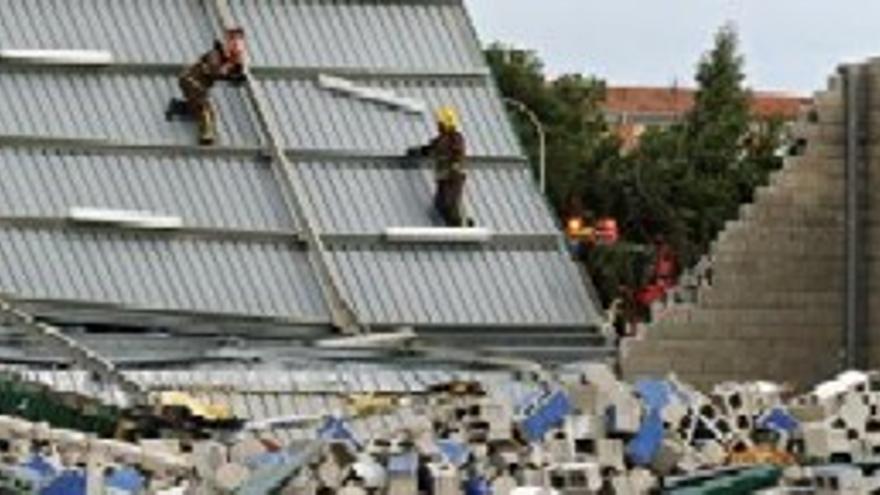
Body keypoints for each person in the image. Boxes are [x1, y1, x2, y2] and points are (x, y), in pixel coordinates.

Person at [166, 28, 246, 145]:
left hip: (197, 85)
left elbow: (227, 70)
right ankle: (206, 136)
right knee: (205, 110)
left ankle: (177, 107)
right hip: (192, 81)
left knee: (198, 108)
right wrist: (230, 77)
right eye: (233, 41)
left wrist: (234, 72)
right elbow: (214, 72)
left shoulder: (226, 58)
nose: (236, 46)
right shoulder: (214, 54)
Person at [408, 107, 473, 227]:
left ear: (446, 124)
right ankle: (453, 223)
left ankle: (460, 224)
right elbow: (429, 149)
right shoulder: (440, 140)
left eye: (440, 123)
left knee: (450, 202)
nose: (438, 125)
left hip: (453, 176)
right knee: (440, 204)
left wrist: (454, 166)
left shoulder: (456, 138)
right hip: (443, 177)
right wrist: (417, 151)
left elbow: (458, 153)